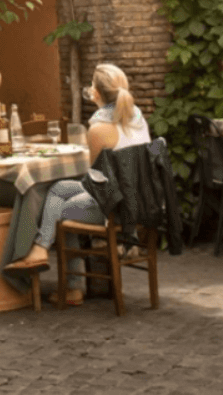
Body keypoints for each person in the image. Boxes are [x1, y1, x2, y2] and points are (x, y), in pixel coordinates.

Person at [10, 64, 150, 298]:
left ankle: (72, 285)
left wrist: (74, 195)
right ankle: (42, 249)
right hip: (139, 202)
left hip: (114, 208)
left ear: (94, 94)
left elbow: (95, 184)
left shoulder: (98, 129)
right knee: (57, 188)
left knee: (58, 210)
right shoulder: (138, 119)